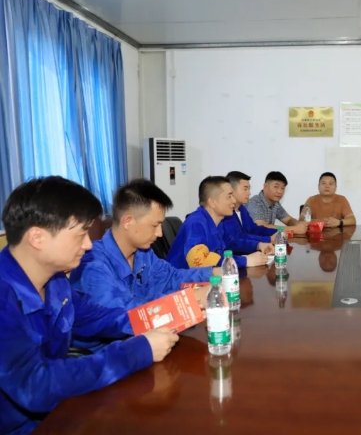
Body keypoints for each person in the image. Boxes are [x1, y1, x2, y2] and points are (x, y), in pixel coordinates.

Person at [0, 177, 177, 435]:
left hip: (61, 410)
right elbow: (35, 386)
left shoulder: (55, 281)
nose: (88, 244)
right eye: (80, 234)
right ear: (37, 237)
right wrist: (137, 351)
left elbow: (98, 317)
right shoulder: (4, 298)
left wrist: (166, 315)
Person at [68, 179, 219, 347]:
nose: (160, 233)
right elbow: (124, 314)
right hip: (108, 351)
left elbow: (171, 277)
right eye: (155, 225)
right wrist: (188, 300)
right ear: (128, 221)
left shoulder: (143, 253)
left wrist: (213, 272)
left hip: (148, 339)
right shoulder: (92, 264)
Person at [166, 176, 269, 269]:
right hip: (183, 282)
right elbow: (200, 261)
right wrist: (245, 261)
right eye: (229, 196)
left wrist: (258, 245)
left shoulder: (218, 222)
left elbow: (231, 243)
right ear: (212, 202)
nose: (234, 201)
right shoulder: (196, 223)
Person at [220, 171, 278, 254]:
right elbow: (237, 239)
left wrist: (277, 232)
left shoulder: (242, 209)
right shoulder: (226, 213)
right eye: (245, 189)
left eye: (249, 189)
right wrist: (268, 240)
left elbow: (254, 229)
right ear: (231, 190)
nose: (249, 193)